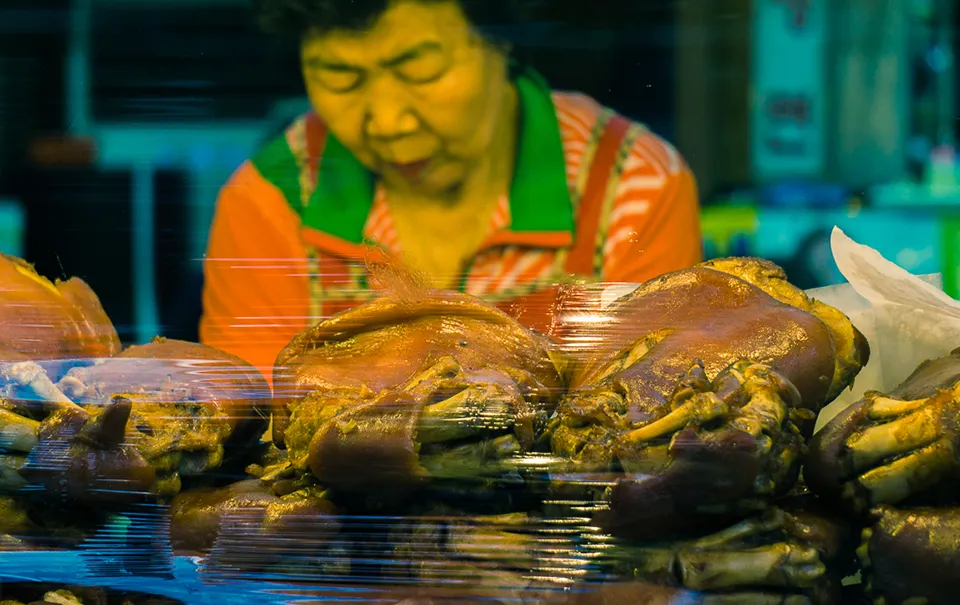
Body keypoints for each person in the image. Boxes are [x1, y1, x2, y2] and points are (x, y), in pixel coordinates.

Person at [200, 0, 703, 383]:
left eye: (420, 69)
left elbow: (650, 413)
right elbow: (255, 427)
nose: (388, 120)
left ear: (502, 42)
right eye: (340, 77)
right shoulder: (269, 198)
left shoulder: (631, 183)